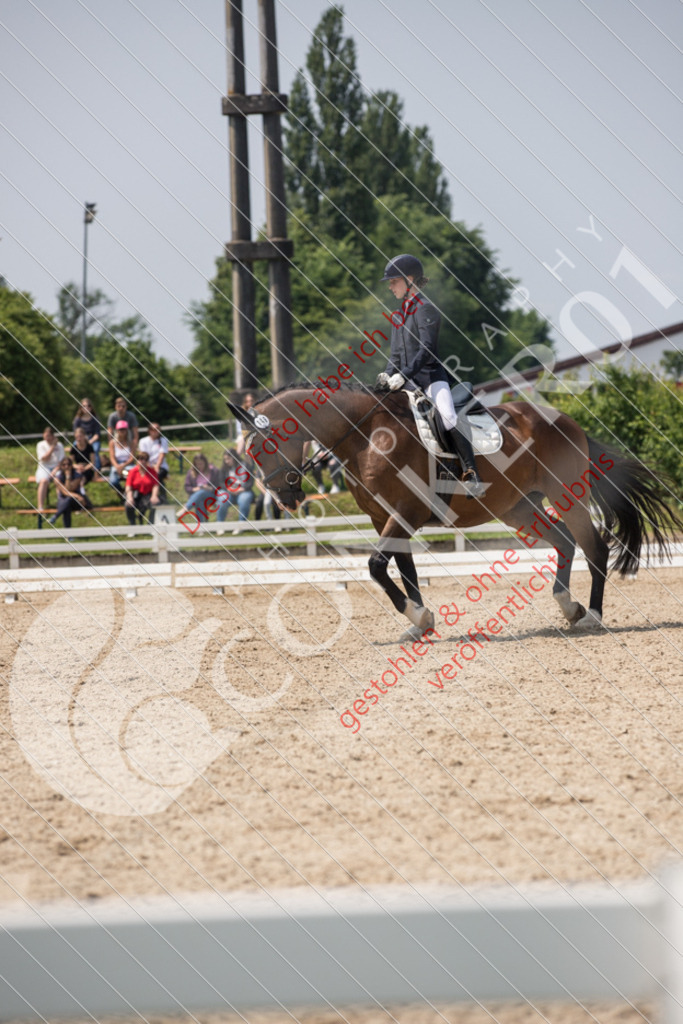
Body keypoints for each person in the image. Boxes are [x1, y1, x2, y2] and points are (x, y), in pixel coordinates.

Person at [376, 253, 485, 499]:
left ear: (409, 280)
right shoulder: (397, 316)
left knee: (447, 417)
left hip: (431, 379)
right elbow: (395, 355)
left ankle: (472, 473)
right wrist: (387, 374)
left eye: (393, 281)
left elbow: (426, 351)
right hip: (407, 383)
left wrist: (402, 375)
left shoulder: (426, 310)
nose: (390, 286)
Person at [48, 456, 92, 528]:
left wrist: (68, 476)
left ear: (72, 466)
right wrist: (77, 496)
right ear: (61, 466)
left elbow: (70, 489)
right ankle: (68, 535)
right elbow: (65, 492)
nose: (66, 466)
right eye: (64, 465)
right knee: (67, 503)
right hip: (67, 501)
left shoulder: (78, 476)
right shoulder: (57, 478)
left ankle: (55, 517)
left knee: (69, 500)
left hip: (78, 503)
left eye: (68, 464)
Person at [215, 450, 254, 531]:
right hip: (228, 491)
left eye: (228, 459)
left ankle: (240, 526)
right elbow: (221, 482)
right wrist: (229, 489)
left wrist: (242, 489)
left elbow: (251, 482)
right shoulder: (224, 468)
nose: (226, 461)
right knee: (222, 498)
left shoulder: (246, 466)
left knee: (244, 499)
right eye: (225, 459)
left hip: (244, 491)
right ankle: (220, 525)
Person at [35, 426, 65, 517]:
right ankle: (40, 507)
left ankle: (61, 505)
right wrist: (52, 447)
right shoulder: (40, 445)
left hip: (57, 468)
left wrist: (55, 471)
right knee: (44, 481)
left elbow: (62, 461)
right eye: (45, 436)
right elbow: (44, 458)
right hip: (44, 467)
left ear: (53, 436)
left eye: (49, 436)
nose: (47, 438)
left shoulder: (60, 445)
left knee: (58, 480)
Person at [124, 452, 160, 527]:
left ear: (147, 461)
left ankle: (150, 525)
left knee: (156, 503)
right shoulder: (132, 471)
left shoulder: (152, 471)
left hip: (147, 495)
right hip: (135, 495)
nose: (142, 461)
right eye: (140, 459)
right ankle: (132, 525)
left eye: (145, 459)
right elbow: (128, 486)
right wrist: (130, 498)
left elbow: (155, 485)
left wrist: (154, 496)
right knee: (128, 505)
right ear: (137, 461)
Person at [139, 422, 169, 499]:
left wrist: (157, 466)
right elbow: (143, 456)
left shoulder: (163, 440)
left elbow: (162, 455)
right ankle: (145, 496)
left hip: (161, 466)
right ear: (149, 430)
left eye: (157, 429)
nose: (155, 431)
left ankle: (162, 497)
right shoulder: (143, 441)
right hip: (146, 466)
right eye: (153, 429)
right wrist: (149, 466)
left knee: (156, 475)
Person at [108, 420, 137, 498]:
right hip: (116, 464)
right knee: (112, 482)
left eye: (124, 429)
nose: (122, 431)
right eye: (120, 429)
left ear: (127, 430)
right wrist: (117, 466)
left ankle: (130, 495)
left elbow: (132, 458)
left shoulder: (131, 443)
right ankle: (121, 492)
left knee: (133, 479)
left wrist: (123, 466)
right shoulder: (112, 443)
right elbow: (112, 457)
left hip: (128, 464)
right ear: (117, 431)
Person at [72, 398, 102, 470]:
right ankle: (75, 466)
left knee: (94, 449)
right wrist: (83, 440)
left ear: (91, 407)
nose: (86, 408)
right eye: (84, 406)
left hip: (93, 440)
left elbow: (97, 434)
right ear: (81, 408)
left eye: (88, 406)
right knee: (74, 447)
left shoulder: (95, 419)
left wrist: (89, 442)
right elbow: (76, 433)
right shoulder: (77, 419)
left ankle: (96, 469)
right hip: (80, 439)